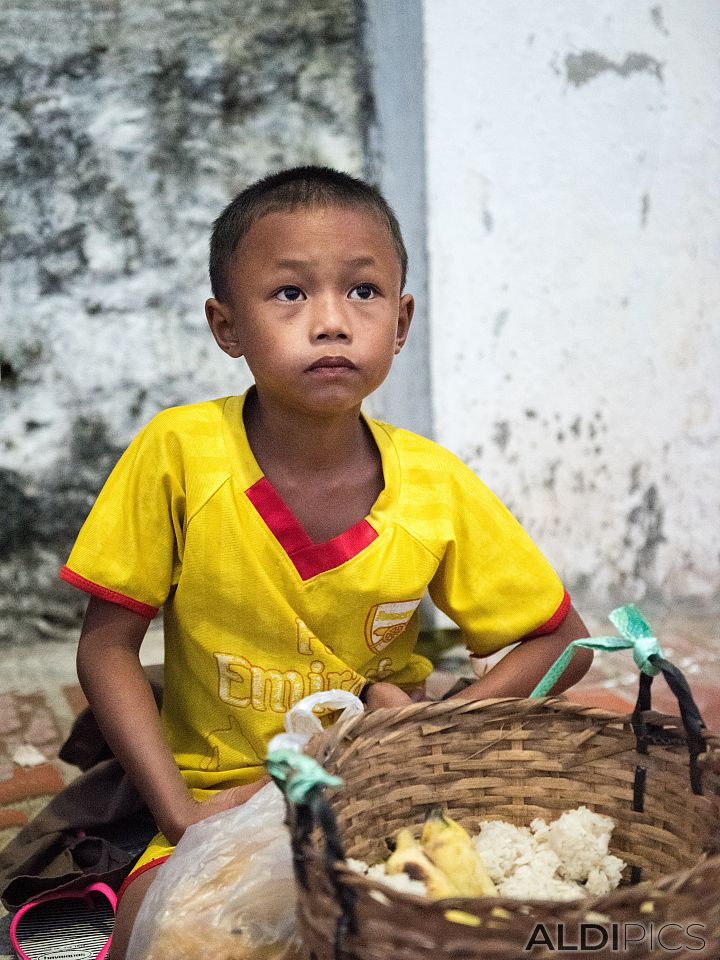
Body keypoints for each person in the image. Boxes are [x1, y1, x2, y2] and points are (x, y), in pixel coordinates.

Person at [60, 166, 593, 957]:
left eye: (364, 292)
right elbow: (106, 649)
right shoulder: (179, 454)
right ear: (226, 325)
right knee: (164, 932)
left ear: (402, 320)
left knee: (476, 925)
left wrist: (438, 723)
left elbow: (566, 642)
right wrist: (181, 818)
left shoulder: (434, 486)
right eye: (289, 294)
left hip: (384, 793)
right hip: (219, 798)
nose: (333, 323)